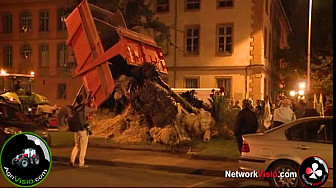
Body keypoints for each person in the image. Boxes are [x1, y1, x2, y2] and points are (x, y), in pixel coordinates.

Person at [69, 95, 94, 168]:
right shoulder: (84, 108)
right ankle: (81, 163)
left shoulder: (75, 109)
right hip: (82, 129)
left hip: (76, 130)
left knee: (77, 146)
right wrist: (93, 102)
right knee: (83, 147)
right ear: (82, 100)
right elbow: (94, 109)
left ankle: (72, 160)